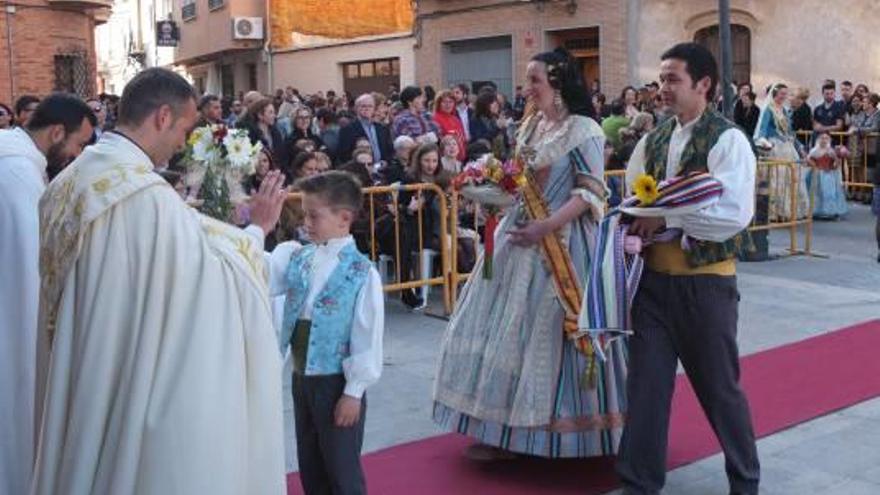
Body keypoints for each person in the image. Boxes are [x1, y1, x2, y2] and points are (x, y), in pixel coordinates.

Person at [31, 68, 287, 494]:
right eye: (186, 129)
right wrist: (257, 232)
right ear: (163, 117)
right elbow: (211, 284)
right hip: (121, 378)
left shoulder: (73, 179)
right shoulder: (142, 198)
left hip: (82, 365)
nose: (184, 143)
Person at [433, 48, 625, 460]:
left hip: (565, 246)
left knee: (547, 336)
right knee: (506, 334)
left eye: (535, 80)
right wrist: (490, 194)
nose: (527, 88)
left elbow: (591, 192)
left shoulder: (585, 129)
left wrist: (546, 226)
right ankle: (506, 433)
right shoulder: (532, 125)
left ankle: (564, 433)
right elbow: (517, 182)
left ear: (558, 84)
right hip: (518, 237)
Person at [618, 42, 759, 495]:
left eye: (673, 79)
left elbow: (733, 214)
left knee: (720, 392)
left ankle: (745, 482)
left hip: (706, 287)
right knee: (646, 392)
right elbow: (634, 198)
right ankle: (638, 483)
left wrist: (667, 216)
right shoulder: (652, 139)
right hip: (653, 285)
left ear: (704, 85)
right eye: (661, 79)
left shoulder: (727, 139)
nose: (662, 88)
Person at [265, 171, 384, 495]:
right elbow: (264, 275)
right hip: (302, 376)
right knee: (310, 461)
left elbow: (366, 335)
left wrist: (354, 391)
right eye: (304, 214)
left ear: (344, 218)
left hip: (336, 381)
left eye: (314, 215)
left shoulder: (361, 272)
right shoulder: (299, 256)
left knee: (341, 466)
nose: (306, 222)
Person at [0, 93, 95, 495]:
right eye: (76, 144)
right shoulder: (17, 173)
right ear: (56, 132)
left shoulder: (15, 160)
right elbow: (29, 270)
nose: (75, 155)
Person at [754, 83, 809, 221]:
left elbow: (790, 132)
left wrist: (799, 147)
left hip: (787, 147)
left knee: (792, 178)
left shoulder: (784, 110)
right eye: (781, 94)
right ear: (775, 94)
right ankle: (775, 212)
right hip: (775, 147)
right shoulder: (768, 109)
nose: (784, 96)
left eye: (786, 94)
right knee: (777, 179)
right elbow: (762, 130)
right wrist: (766, 144)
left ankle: (790, 210)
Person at [338, 93, 393, 164]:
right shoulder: (348, 129)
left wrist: (386, 162)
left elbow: (390, 151)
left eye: (370, 106)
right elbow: (344, 155)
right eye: (363, 106)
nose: (367, 109)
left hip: (382, 170)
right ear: (356, 108)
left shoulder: (382, 128)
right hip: (360, 170)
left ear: (374, 109)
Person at [806, 132, 848, 219]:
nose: (824, 140)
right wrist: (815, 166)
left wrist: (837, 159)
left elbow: (836, 163)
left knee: (830, 193)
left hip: (829, 176)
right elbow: (809, 160)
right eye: (822, 138)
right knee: (818, 193)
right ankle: (816, 211)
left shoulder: (831, 151)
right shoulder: (814, 151)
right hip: (817, 175)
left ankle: (831, 211)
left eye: (826, 138)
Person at [241, 97, 287, 169]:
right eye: (270, 112)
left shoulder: (276, 132)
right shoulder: (250, 134)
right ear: (260, 115)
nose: (274, 116)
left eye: (274, 112)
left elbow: (281, 156)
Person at [469, 90, 509, 159]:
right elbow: (481, 139)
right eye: (492, 102)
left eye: (496, 101)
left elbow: (505, 141)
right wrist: (497, 127)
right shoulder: (476, 119)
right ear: (484, 105)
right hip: (485, 159)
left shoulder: (495, 117)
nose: (496, 104)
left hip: (501, 158)